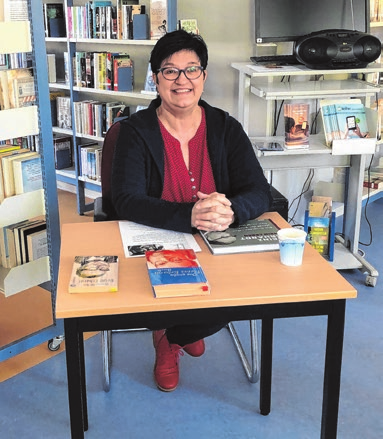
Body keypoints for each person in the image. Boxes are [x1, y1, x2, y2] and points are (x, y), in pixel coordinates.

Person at [111, 29, 272, 392]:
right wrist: (188, 216)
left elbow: (259, 191)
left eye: (191, 70)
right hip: (157, 242)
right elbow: (126, 199)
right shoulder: (134, 132)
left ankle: (175, 334)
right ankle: (175, 335)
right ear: (156, 79)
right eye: (170, 71)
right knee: (177, 292)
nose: (181, 80)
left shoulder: (226, 128)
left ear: (204, 76)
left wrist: (230, 210)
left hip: (218, 241)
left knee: (248, 294)